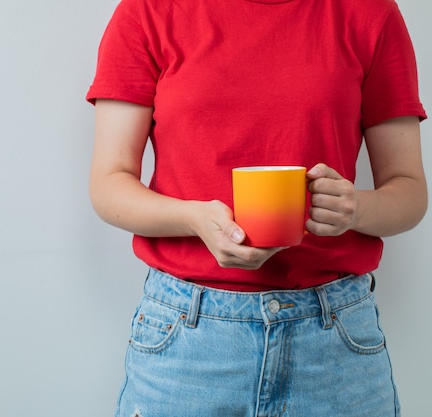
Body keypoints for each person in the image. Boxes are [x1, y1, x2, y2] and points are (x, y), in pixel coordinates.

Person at [86, 0, 427, 415]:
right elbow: (109, 182)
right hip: (187, 340)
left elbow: (409, 193)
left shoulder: (369, 13)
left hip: (334, 342)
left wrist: (355, 208)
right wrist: (194, 220)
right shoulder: (149, 12)